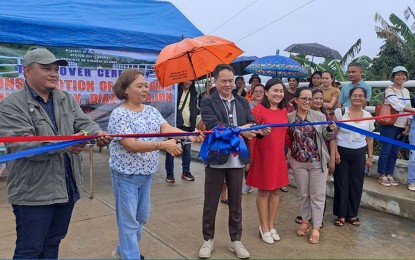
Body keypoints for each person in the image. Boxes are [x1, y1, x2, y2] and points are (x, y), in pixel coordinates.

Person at [0, 47, 112, 259]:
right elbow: (22, 144)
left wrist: (99, 133)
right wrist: (66, 145)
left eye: (55, 69)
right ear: (27, 71)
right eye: (46, 68)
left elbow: (84, 122)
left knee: (52, 243)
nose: (54, 73)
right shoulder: (12, 105)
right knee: (30, 250)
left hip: (66, 187)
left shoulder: (65, 98)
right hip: (33, 193)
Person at [108, 69, 202, 259]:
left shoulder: (151, 111)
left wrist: (189, 134)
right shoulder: (119, 114)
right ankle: (131, 255)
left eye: (146, 86)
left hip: (146, 174)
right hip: (125, 176)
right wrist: (161, 145)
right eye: (140, 86)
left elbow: (166, 128)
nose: (145, 89)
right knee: (129, 222)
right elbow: (130, 145)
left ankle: (122, 250)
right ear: (125, 89)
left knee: (141, 218)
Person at [199, 64, 260, 259]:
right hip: (216, 158)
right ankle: (208, 240)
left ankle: (236, 240)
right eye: (223, 81)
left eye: (230, 81)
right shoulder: (208, 102)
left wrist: (259, 130)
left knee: (236, 203)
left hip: (237, 161)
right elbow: (213, 125)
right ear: (215, 81)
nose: (228, 84)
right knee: (211, 202)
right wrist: (241, 129)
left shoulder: (243, 101)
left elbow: (251, 122)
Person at [286, 87, 336, 244]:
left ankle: (316, 226)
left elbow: (327, 136)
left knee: (317, 195)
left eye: (310, 99)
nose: (308, 102)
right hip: (298, 162)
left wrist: (329, 129)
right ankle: (305, 220)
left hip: (317, 162)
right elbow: (286, 137)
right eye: (304, 99)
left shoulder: (319, 116)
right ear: (296, 100)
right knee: (303, 194)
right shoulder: (289, 117)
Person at [246, 78, 287, 244]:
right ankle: (263, 226)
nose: (278, 94)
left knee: (276, 191)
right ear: (267, 92)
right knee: (263, 191)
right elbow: (251, 135)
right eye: (275, 90)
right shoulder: (258, 110)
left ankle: (271, 225)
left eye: (281, 91)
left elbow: (287, 135)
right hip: (263, 156)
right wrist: (250, 157)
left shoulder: (284, 111)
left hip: (278, 156)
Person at [333, 87, 374, 227]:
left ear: (365, 98)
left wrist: (370, 157)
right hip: (342, 151)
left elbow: (370, 138)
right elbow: (334, 135)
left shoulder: (368, 115)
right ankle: (341, 214)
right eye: (354, 95)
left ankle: (352, 213)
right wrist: (336, 153)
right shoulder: (340, 112)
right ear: (350, 97)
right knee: (341, 182)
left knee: (357, 183)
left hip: (359, 152)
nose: (357, 98)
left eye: (360, 96)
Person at [377, 66, 415, 187]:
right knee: (386, 150)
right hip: (390, 123)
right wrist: (413, 110)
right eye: (397, 74)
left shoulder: (406, 91)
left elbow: (408, 110)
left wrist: (408, 124)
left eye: (403, 74)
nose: (400, 77)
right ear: (393, 77)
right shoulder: (389, 90)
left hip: (402, 125)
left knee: (394, 151)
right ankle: (382, 174)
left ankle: (389, 174)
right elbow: (397, 105)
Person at [165, 81, 198, 183]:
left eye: (191, 81)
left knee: (187, 150)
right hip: (175, 125)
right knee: (171, 149)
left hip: (188, 126)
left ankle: (186, 172)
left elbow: (194, 107)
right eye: (187, 80)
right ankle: (170, 174)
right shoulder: (175, 91)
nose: (188, 82)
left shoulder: (193, 92)